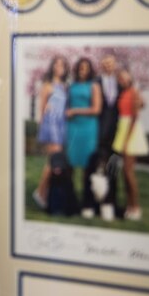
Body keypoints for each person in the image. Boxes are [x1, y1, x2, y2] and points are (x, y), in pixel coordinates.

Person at [111, 68, 149, 222]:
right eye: (120, 78)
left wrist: (126, 141)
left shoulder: (134, 91)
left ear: (130, 78)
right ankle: (129, 206)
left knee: (128, 172)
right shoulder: (123, 92)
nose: (122, 80)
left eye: (125, 77)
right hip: (122, 128)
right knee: (124, 174)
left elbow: (134, 117)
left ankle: (136, 207)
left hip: (131, 132)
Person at [65, 57, 101, 218]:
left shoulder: (94, 85)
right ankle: (71, 204)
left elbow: (96, 109)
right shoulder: (71, 86)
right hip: (72, 129)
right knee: (69, 167)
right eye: (80, 67)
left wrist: (75, 111)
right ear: (77, 69)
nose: (83, 69)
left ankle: (88, 205)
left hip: (88, 129)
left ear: (90, 70)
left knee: (88, 168)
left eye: (86, 67)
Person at [32, 56, 69, 210]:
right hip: (51, 124)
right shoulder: (47, 85)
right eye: (57, 64)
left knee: (54, 161)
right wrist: (43, 127)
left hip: (62, 124)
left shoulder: (65, 86)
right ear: (53, 67)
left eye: (62, 64)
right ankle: (40, 193)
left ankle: (45, 193)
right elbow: (41, 109)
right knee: (53, 160)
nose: (59, 66)